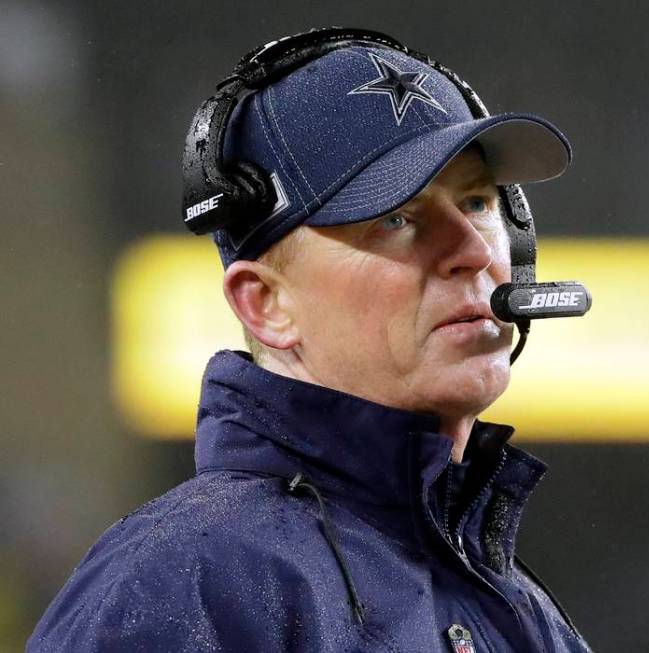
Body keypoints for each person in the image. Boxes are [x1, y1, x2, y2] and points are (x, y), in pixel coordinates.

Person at [29, 28, 592, 652]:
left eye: (478, 201)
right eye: (397, 218)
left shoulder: (512, 602)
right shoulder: (180, 583)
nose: (471, 250)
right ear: (266, 305)